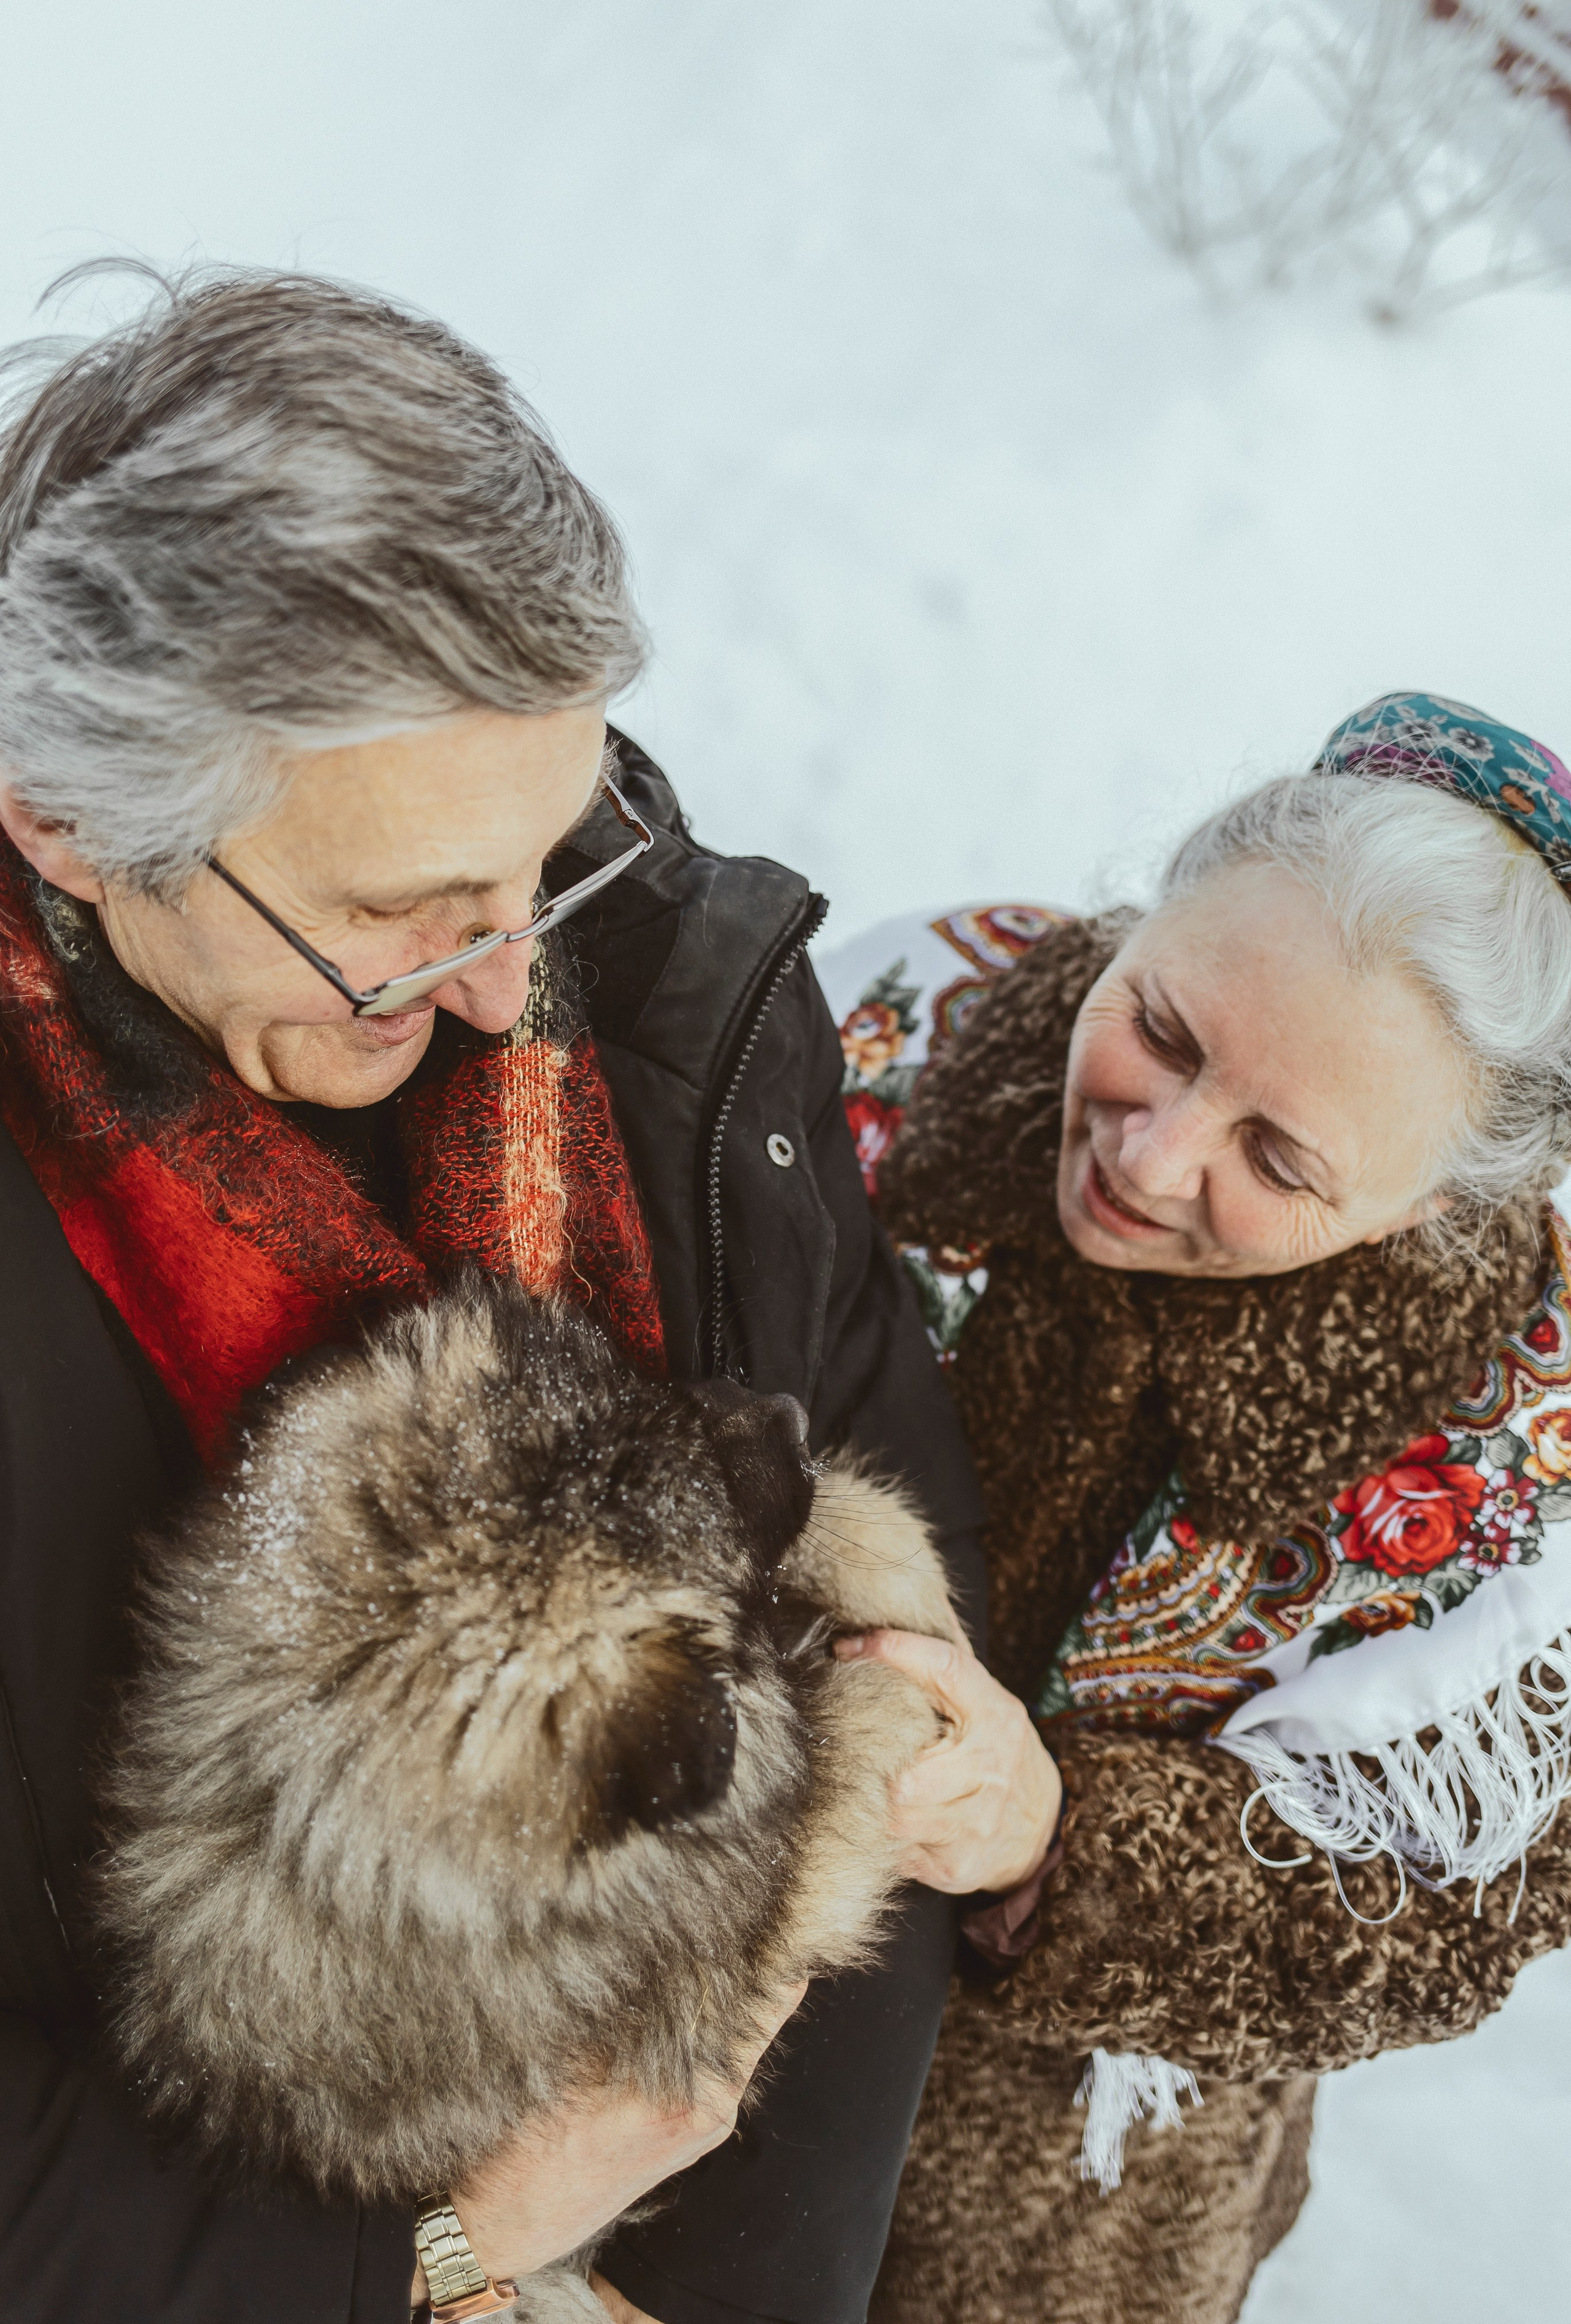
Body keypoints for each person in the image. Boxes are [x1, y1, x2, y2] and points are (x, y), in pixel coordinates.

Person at [0, 265, 985, 2324]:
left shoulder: (635, 972)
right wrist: (423, 2256)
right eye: (398, 916)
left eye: (550, 853)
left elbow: (863, 1465)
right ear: (73, 826)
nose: (497, 976)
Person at [816, 694, 1571, 2323]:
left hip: (1036, 2221)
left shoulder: (1524, 1467)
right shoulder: (904, 1010)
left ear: (1439, 1204)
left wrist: (1056, 1841)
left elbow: (1445, 1910)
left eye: (1280, 1160)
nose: (1151, 1162)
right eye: (1159, 1026)